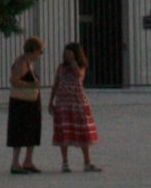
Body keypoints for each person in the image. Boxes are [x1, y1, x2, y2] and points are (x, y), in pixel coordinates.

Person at [49, 41, 100, 173]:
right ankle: (65, 162)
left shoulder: (80, 66)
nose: (67, 56)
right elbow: (56, 84)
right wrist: (51, 102)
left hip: (78, 102)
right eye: (65, 54)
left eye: (70, 54)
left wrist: (73, 62)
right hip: (63, 102)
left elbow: (79, 75)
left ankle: (87, 161)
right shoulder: (61, 68)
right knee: (64, 131)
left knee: (83, 131)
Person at [7, 36, 45, 173]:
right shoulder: (22, 62)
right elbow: (14, 80)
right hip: (22, 103)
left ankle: (28, 160)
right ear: (34, 50)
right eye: (40, 51)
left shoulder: (28, 62)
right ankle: (15, 163)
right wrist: (30, 85)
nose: (40, 55)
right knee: (19, 131)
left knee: (31, 130)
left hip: (30, 103)